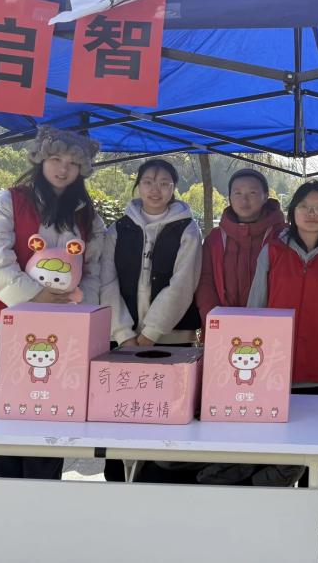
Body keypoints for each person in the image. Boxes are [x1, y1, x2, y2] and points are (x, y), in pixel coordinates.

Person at [0, 126, 105, 479]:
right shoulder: (7, 201)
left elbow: (95, 266)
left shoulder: (86, 214)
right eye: (56, 159)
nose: (63, 168)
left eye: (73, 162)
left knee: (53, 402)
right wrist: (32, 297)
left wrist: (78, 307)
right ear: (40, 160)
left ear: (82, 169)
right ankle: (2, 483)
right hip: (2, 317)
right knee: (1, 401)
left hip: (62, 324)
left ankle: (44, 483)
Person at [248, 180, 318, 525]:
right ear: (293, 211)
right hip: (274, 375)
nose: (312, 214)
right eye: (305, 207)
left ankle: (314, 525)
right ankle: (274, 523)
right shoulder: (272, 251)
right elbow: (255, 308)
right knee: (274, 453)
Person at [100, 158, 203, 483]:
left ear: (174, 188)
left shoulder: (187, 228)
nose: (155, 189)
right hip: (123, 342)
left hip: (173, 341)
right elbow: (107, 281)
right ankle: (118, 485)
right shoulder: (119, 229)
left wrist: (151, 334)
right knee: (121, 414)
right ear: (138, 185)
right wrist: (123, 333)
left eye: (163, 183)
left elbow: (183, 284)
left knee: (168, 417)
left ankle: (161, 488)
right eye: (148, 182)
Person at [196, 168, 286, 326]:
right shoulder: (215, 239)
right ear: (229, 197)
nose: (244, 200)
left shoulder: (283, 237)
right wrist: (213, 320)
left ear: (265, 196)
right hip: (222, 329)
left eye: (252, 193)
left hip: (270, 329)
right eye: (237, 193)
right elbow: (205, 282)